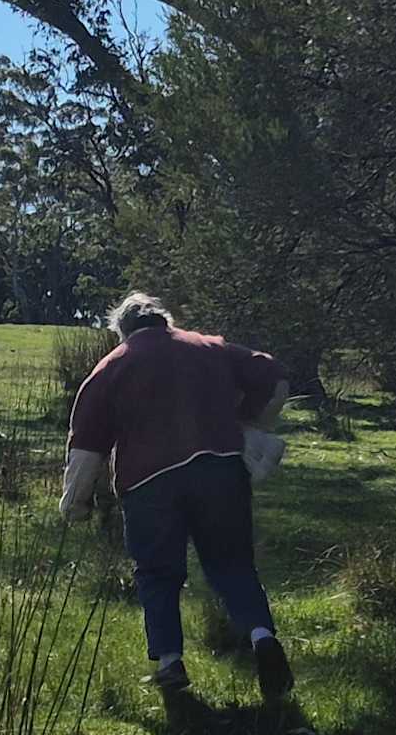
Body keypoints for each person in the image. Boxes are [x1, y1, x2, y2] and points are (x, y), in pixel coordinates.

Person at [59, 291, 293, 708]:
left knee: (157, 573)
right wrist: (248, 422)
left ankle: (170, 662)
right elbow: (273, 376)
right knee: (233, 564)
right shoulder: (209, 347)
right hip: (222, 470)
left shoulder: (113, 366)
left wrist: (75, 503)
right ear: (163, 320)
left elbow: (86, 446)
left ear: (122, 331)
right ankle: (262, 637)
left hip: (151, 481)